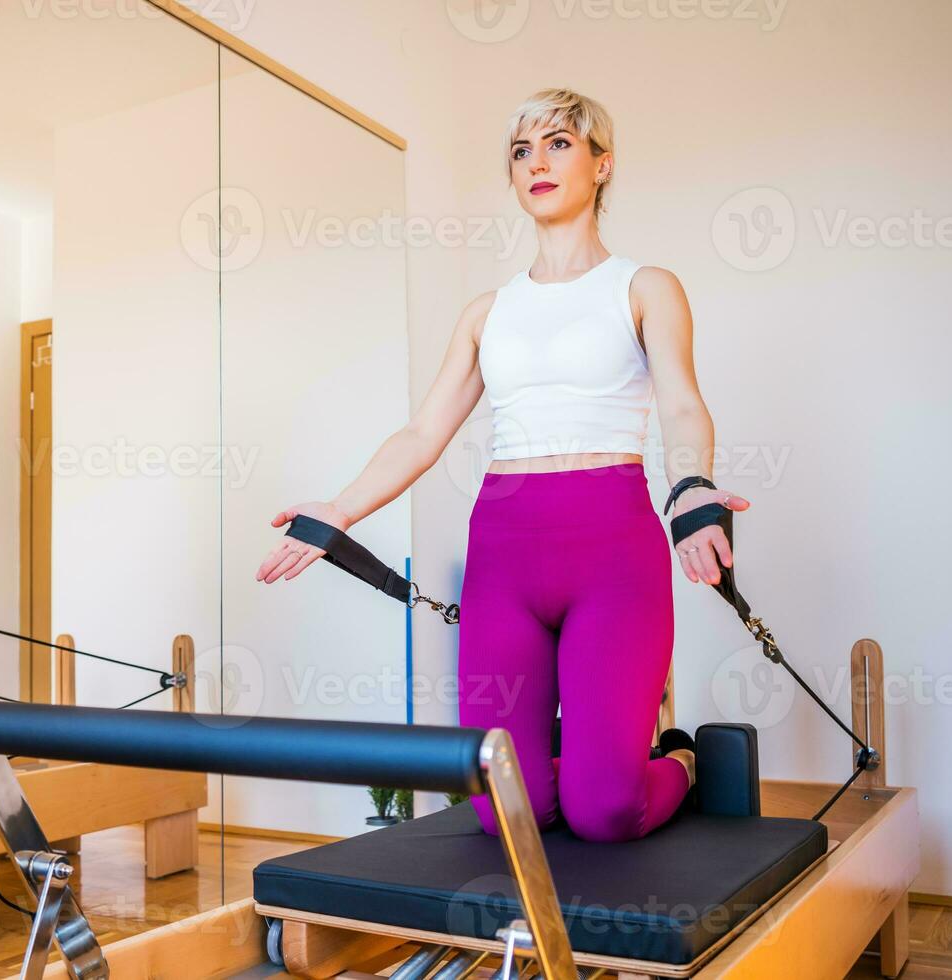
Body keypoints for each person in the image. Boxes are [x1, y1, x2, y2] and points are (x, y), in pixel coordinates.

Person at [255, 88, 749, 843]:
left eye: (558, 144)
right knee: (501, 807)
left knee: (604, 810)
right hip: (505, 557)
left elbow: (683, 405)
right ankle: (589, 764)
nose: (536, 163)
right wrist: (340, 510)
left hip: (613, 551)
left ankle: (677, 759)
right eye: (521, 152)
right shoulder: (489, 312)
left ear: (602, 164)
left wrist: (691, 489)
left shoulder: (645, 287)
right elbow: (423, 432)